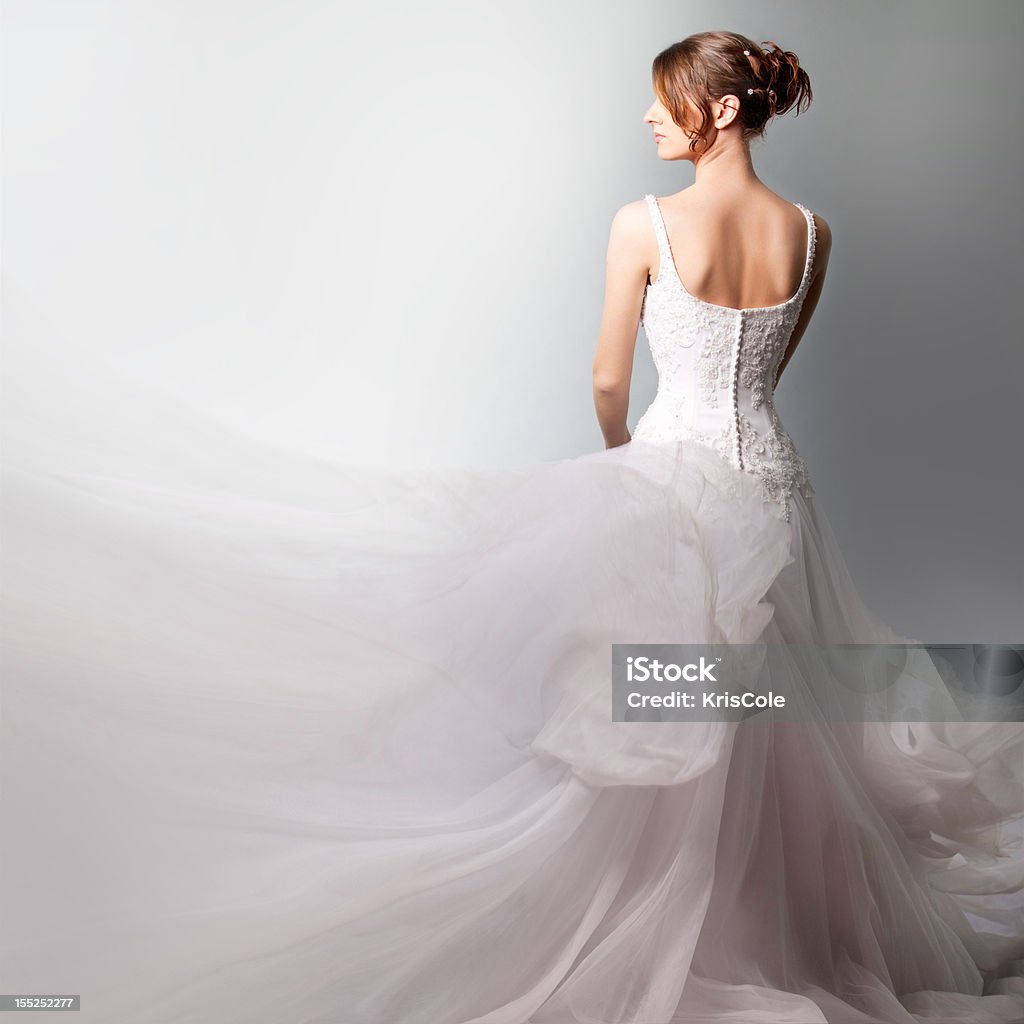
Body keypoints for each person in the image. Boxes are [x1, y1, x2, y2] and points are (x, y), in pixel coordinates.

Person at [2, 28, 1023, 1024]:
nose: (645, 117)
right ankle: (783, 919)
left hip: (674, 481)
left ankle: (681, 916)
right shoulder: (810, 231)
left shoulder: (643, 223)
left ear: (716, 110)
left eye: (664, 100)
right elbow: (766, 373)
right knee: (775, 718)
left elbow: (608, 375)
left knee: (657, 712)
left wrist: (629, 464)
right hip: (778, 490)